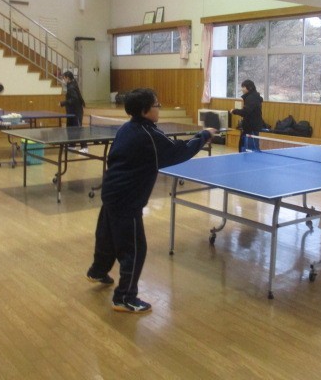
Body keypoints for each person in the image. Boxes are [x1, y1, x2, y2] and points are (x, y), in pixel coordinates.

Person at [86, 88, 216, 313]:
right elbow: (180, 152)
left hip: (111, 191)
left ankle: (97, 271)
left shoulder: (126, 128)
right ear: (145, 111)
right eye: (157, 105)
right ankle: (124, 297)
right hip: (127, 200)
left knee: (107, 237)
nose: (159, 108)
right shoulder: (149, 136)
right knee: (135, 249)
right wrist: (203, 136)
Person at [230, 79, 264, 152]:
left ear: (249, 87)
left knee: (252, 149)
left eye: (243, 87)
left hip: (252, 127)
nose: (242, 89)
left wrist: (234, 111)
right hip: (248, 127)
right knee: (243, 146)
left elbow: (246, 112)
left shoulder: (252, 98)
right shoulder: (251, 97)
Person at [59, 71, 88, 153]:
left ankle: (84, 147)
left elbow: (74, 99)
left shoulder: (71, 87)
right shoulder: (71, 85)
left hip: (76, 112)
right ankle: (72, 145)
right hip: (71, 112)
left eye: (64, 78)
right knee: (70, 128)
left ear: (68, 78)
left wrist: (63, 103)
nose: (63, 79)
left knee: (78, 129)